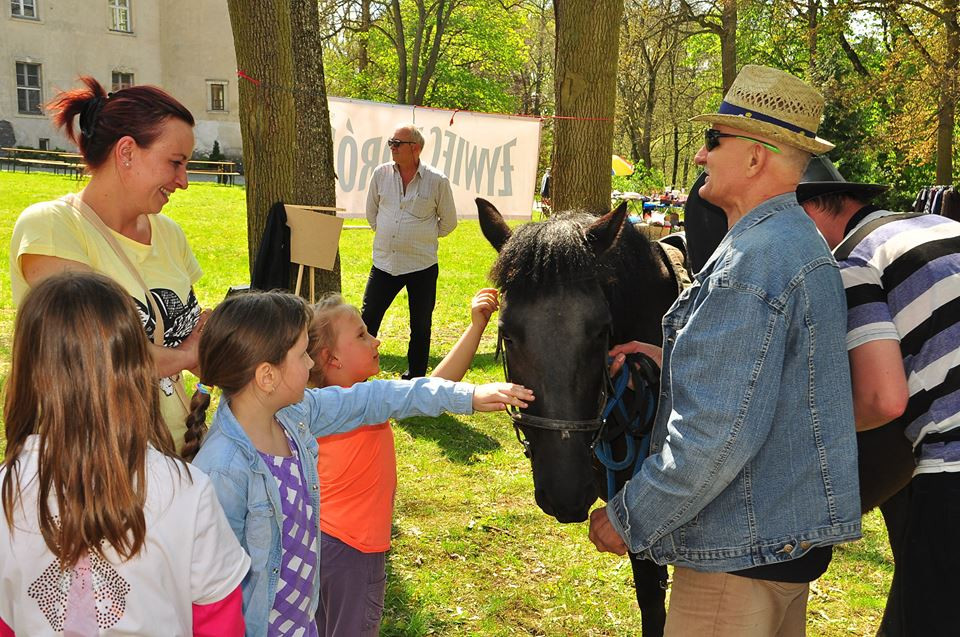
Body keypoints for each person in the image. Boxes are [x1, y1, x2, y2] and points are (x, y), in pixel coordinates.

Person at [587, 65, 861, 636]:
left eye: (715, 141)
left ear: (756, 158)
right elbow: (778, 383)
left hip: (735, 555)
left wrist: (629, 517)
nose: (700, 157)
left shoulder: (752, 262)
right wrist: (676, 357)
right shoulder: (795, 244)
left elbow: (716, 434)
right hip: (779, 545)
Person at [185, 290, 532, 636]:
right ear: (267, 376)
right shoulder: (222, 470)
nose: (310, 364)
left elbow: (377, 398)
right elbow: (212, 591)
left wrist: (467, 396)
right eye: (301, 355)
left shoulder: (295, 417)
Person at [0, 272, 249, 636]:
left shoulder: (6, 490)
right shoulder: (186, 491)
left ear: (28, 372)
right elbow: (218, 620)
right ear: (135, 369)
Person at [798, 158, 960, 637]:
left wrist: (808, 425)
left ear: (807, 211)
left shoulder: (854, 262)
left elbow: (882, 400)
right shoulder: (943, 226)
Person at [8, 76, 205, 453]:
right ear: (127, 151)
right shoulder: (51, 227)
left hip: (177, 457)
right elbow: (93, 354)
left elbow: (189, 330)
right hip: (96, 466)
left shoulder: (170, 234)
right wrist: (188, 356)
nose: (184, 181)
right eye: (175, 163)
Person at [308, 288, 500, 636]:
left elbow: (431, 388)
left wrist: (476, 327)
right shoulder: (357, 402)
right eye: (362, 335)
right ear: (331, 358)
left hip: (318, 544)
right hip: (354, 550)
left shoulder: (317, 402)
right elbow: (428, 390)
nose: (377, 341)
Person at [361, 123, 458, 379]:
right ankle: (357, 373)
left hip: (421, 266)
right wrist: (388, 232)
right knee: (368, 320)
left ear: (415, 148)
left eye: (396, 143)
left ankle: (415, 377)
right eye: (390, 142)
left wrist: (420, 237)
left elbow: (448, 222)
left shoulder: (437, 181)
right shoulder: (380, 174)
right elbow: (372, 213)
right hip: (384, 263)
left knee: (421, 325)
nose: (391, 147)